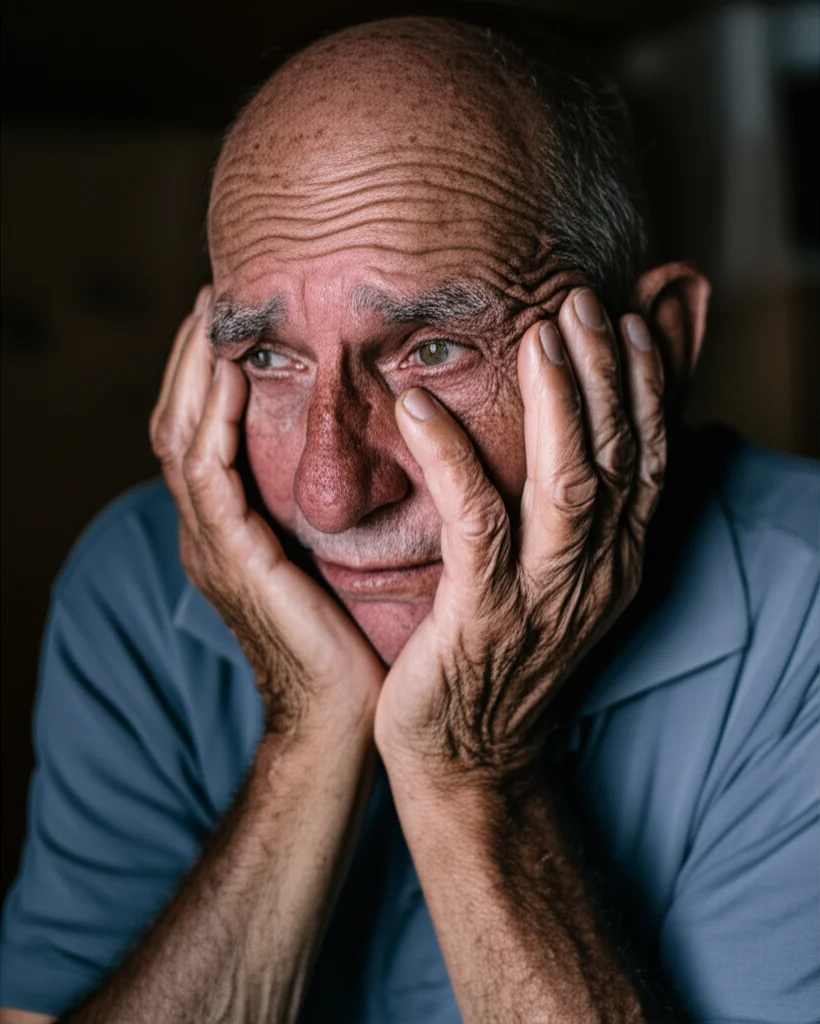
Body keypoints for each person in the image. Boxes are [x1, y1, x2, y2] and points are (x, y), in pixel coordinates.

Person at [1, 15, 817, 1024]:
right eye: (269, 357)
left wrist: (471, 772)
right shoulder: (136, 583)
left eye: (432, 348)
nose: (330, 491)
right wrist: (306, 737)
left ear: (659, 349)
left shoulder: (805, 615)